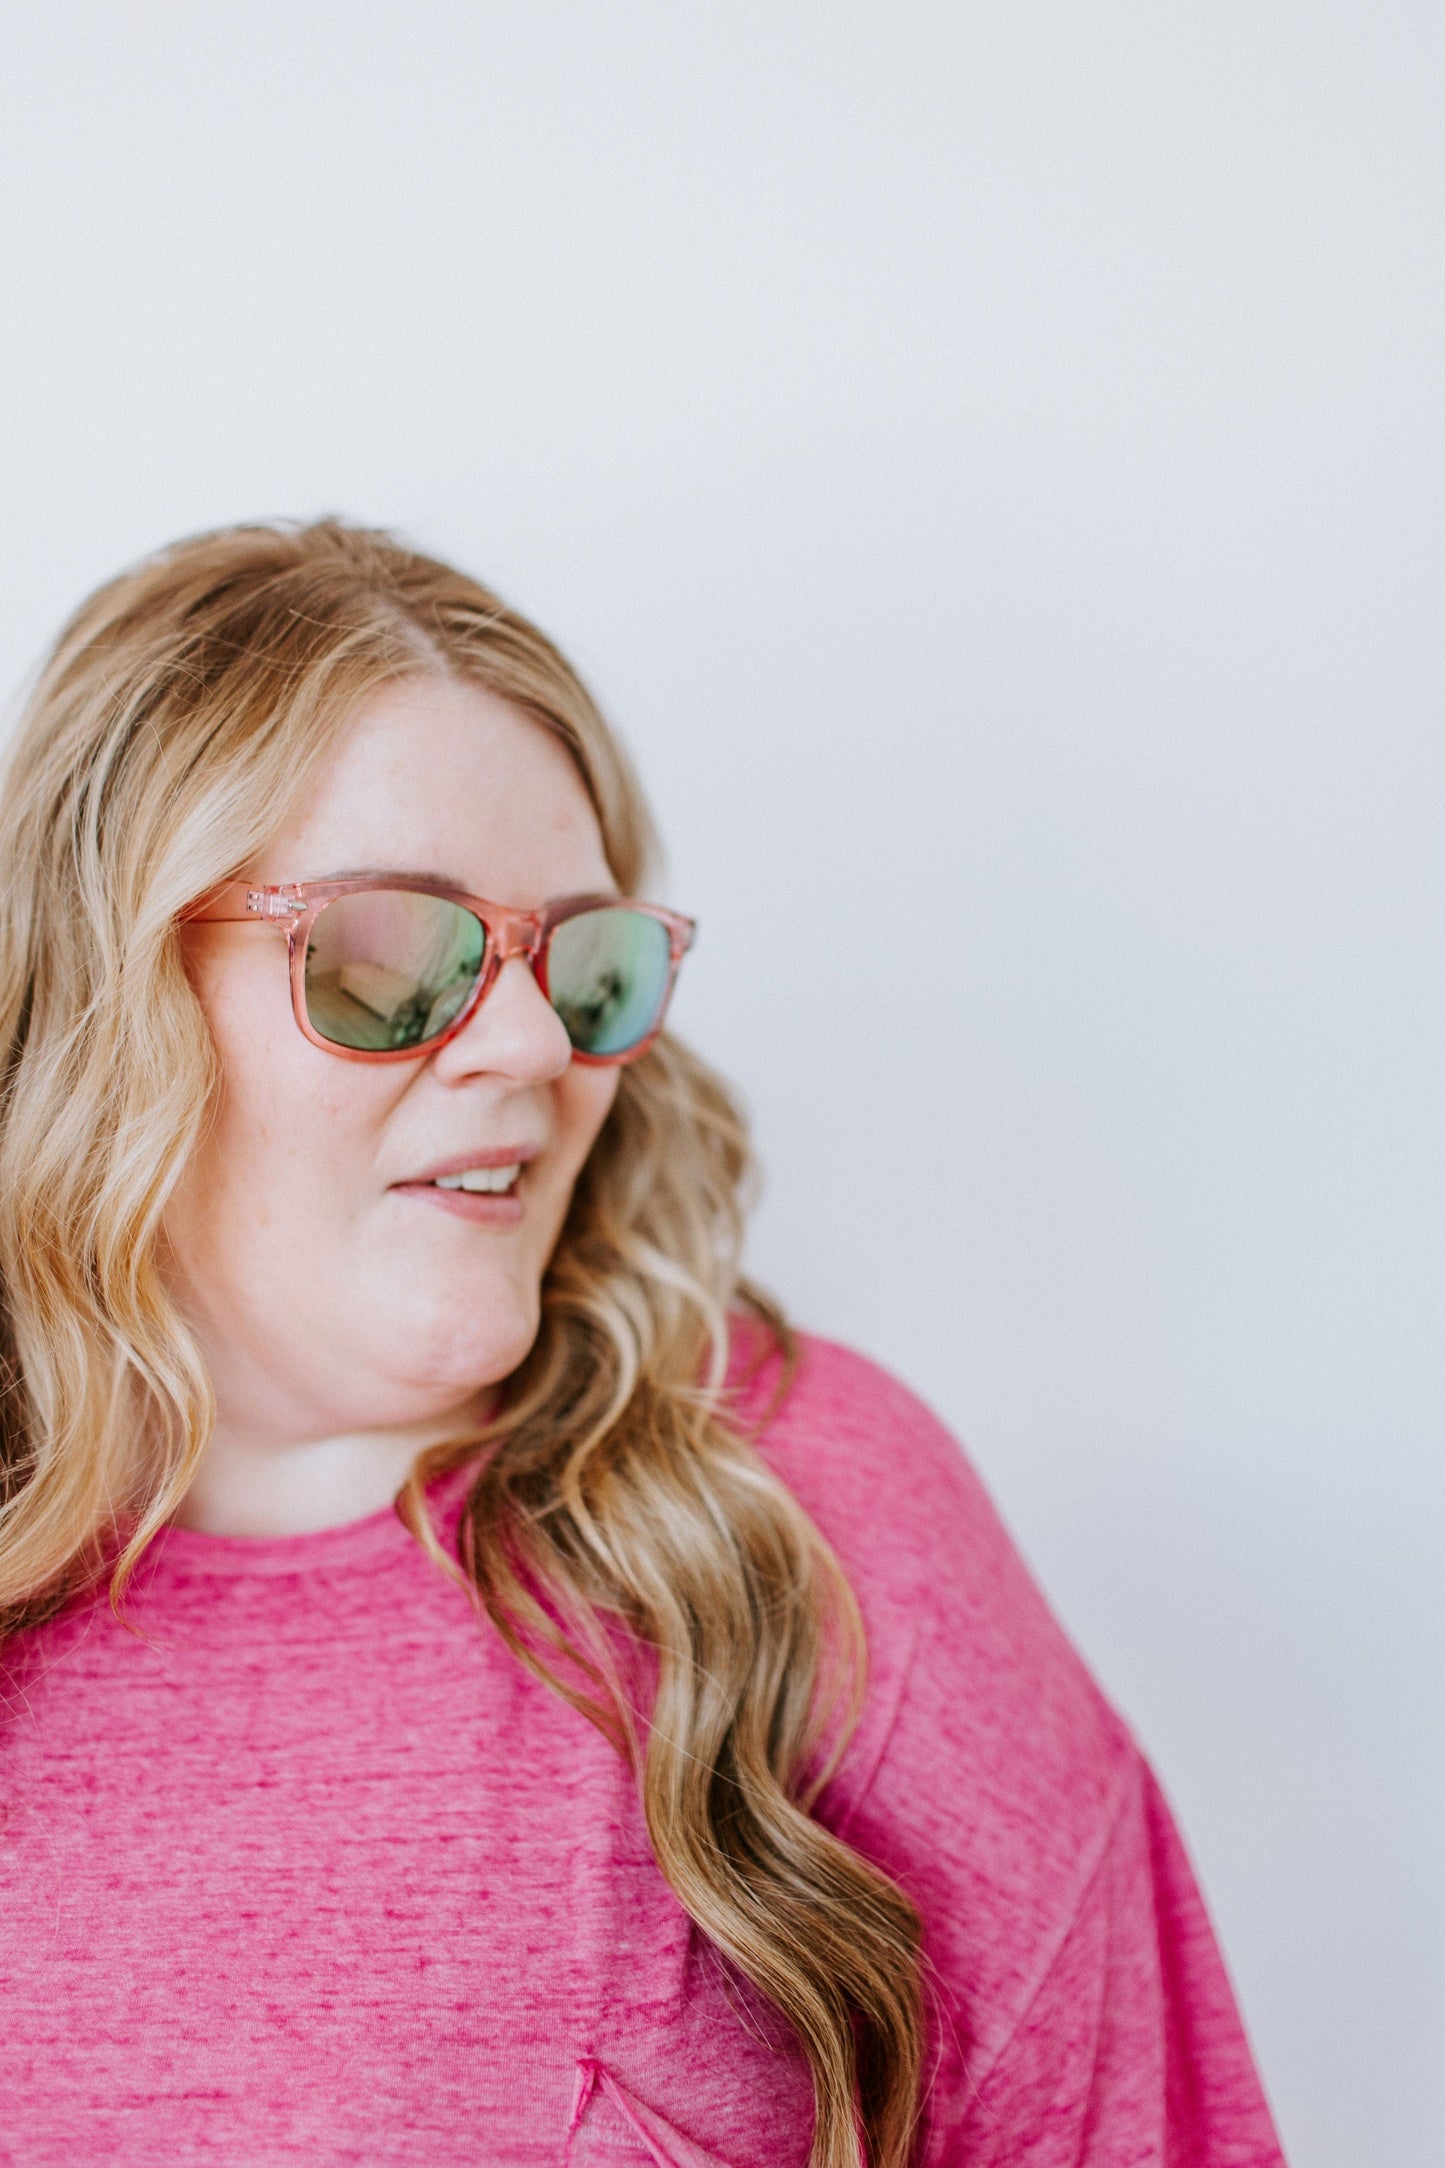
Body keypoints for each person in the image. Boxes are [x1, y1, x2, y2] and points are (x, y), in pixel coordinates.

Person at [0, 521, 1285, 2168]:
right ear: (111, 989)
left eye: (582, 964)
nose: (533, 1044)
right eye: (398, 954)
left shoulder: (814, 1511)